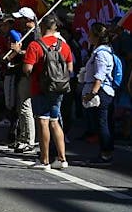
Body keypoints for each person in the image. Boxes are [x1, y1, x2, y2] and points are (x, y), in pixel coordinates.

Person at [22, 14, 73, 170]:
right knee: (55, 121)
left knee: (43, 121)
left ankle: (44, 160)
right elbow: (70, 69)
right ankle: (62, 158)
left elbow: (27, 69)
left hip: (41, 88)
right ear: (55, 27)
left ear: (42, 27)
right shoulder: (64, 46)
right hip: (59, 89)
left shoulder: (35, 45)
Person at [82, 23, 119, 166]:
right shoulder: (101, 51)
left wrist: (92, 93)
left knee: (102, 123)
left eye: (90, 33)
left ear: (97, 36)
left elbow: (100, 76)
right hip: (103, 91)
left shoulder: (101, 53)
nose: (88, 36)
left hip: (102, 92)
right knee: (104, 123)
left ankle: (105, 155)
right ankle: (105, 152)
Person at [6, 7, 39, 153]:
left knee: (26, 107)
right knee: (21, 107)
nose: (17, 21)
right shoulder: (26, 34)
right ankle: (23, 137)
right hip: (23, 73)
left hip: (29, 74)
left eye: (20, 19)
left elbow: (35, 53)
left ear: (27, 20)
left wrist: (19, 51)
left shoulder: (35, 35)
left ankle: (29, 140)